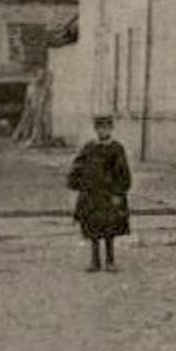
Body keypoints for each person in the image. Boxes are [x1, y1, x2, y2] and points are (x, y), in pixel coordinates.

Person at [67, 114, 132, 272]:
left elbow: (123, 173)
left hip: (109, 195)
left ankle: (110, 261)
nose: (103, 131)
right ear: (95, 130)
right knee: (93, 229)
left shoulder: (116, 148)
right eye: (99, 128)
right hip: (92, 195)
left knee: (110, 228)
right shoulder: (89, 148)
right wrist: (76, 182)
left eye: (106, 128)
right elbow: (78, 166)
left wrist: (119, 193)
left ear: (111, 129)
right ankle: (95, 261)